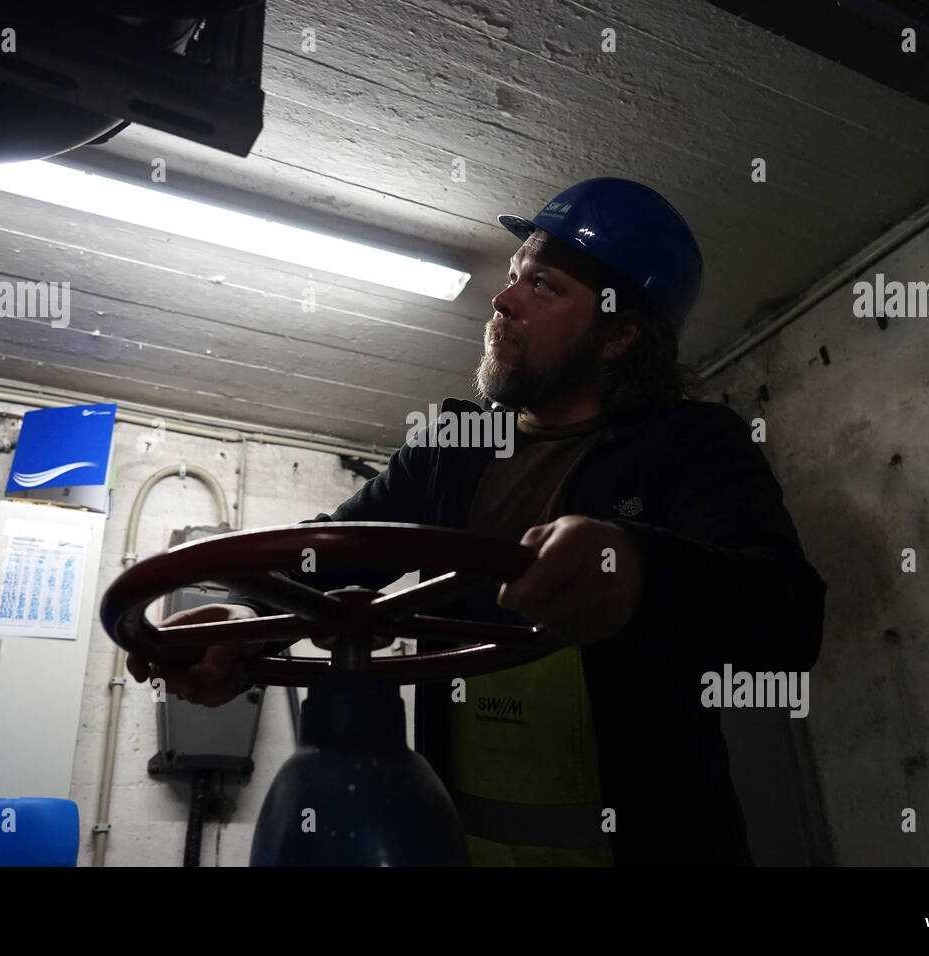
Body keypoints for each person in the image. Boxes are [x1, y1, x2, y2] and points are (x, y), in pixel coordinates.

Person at [126, 178, 827, 866]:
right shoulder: (449, 449)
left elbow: (788, 617)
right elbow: (337, 551)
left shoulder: (689, 444)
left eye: (543, 285)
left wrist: (639, 571)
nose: (502, 297)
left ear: (618, 335)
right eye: (515, 273)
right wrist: (243, 615)